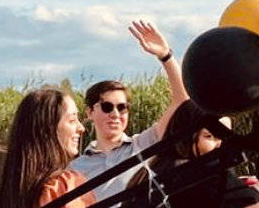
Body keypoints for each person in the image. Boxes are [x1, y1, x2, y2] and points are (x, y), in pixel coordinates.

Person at [67, 20, 189, 198]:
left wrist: (165, 55)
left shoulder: (143, 145)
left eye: (122, 108)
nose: (115, 114)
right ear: (90, 112)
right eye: (107, 107)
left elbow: (182, 101)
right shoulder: (75, 167)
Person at [124, 103, 259, 208]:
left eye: (223, 137)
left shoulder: (148, 172)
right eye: (210, 136)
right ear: (187, 136)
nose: (219, 145)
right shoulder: (207, 177)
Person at [0, 87, 96, 208]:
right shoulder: (65, 185)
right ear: (48, 130)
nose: (81, 128)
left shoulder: (4, 193)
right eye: (72, 120)